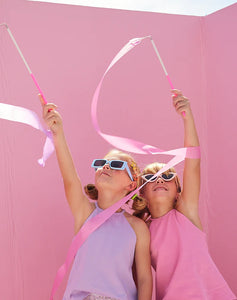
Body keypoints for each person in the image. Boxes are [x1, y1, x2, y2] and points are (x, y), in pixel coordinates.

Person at [39, 95, 152, 300]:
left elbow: (144, 278)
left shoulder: (137, 227)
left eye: (117, 165)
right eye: (101, 163)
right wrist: (58, 133)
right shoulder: (86, 212)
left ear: (131, 185)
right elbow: (70, 179)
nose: (105, 167)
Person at [138, 89, 236, 300]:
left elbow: (192, 161)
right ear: (142, 193)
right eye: (150, 178)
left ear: (178, 191)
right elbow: (140, 277)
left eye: (167, 176)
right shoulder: (142, 230)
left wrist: (187, 117)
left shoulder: (186, 213)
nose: (159, 180)